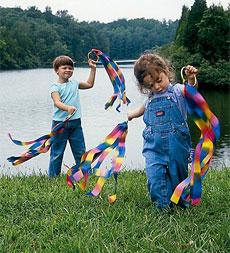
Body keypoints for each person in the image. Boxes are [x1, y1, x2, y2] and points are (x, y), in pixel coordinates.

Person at [127, 53, 198, 209]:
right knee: (154, 175)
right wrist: (131, 114)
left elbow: (191, 92)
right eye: (150, 86)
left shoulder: (178, 91)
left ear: (166, 71)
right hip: (154, 146)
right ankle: (161, 208)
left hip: (177, 145)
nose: (157, 87)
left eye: (159, 81)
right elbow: (142, 109)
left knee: (177, 175)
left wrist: (191, 79)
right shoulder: (150, 98)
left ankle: (179, 203)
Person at [48, 55, 96, 177]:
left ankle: (86, 175)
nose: (68, 70)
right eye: (64, 68)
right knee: (57, 153)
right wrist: (68, 108)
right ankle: (53, 177)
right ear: (57, 70)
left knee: (80, 152)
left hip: (76, 123)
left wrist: (93, 69)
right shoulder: (55, 87)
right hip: (60, 124)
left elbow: (90, 84)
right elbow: (57, 102)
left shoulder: (74, 83)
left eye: (70, 68)